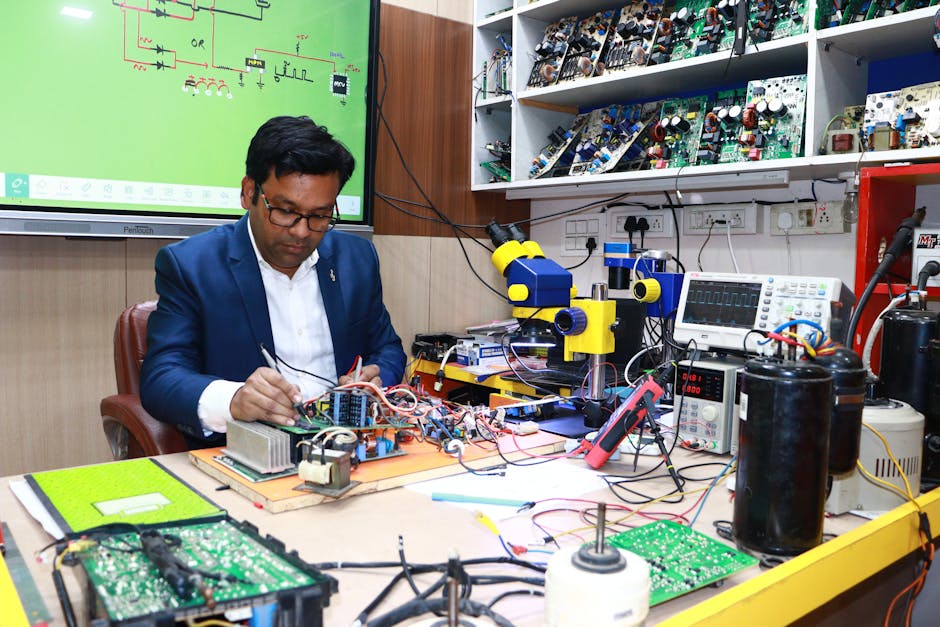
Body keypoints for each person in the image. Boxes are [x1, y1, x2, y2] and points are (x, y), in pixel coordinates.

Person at [141, 116, 406, 448]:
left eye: (320, 215)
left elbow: (388, 348)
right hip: (246, 456)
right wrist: (234, 399)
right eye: (285, 210)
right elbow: (161, 379)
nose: (301, 231)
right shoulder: (191, 266)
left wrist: (377, 377)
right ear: (249, 192)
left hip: (348, 448)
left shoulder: (357, 259)